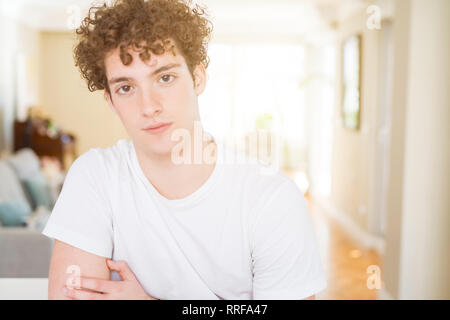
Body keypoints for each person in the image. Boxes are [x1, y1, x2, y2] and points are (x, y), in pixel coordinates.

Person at [42, 0, 327, 300]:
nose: (149, 106)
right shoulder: (94, 178)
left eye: (165, 78)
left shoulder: (271, 199)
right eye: (126, 87)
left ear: (198, 78)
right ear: (111, 101)